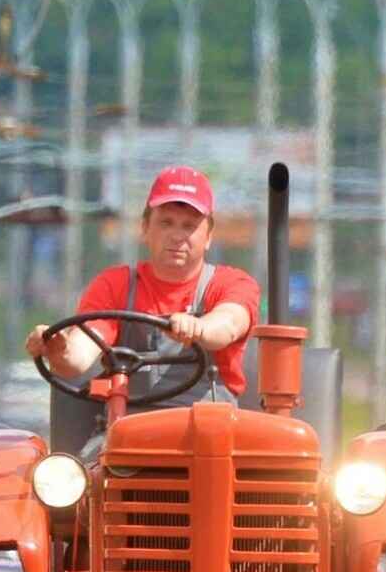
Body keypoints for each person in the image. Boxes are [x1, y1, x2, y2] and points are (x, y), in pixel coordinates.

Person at [25, 166, 260, 409]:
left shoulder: (231, 284)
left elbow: (229, 324)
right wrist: (59, 350)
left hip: (209, 434)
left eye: (189, 226)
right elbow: (79, 355)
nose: (177, 236)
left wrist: (198, 328)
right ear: (145, 228)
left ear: (209, 236)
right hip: (128, 430)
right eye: (166, 223)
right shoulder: (115, 285)